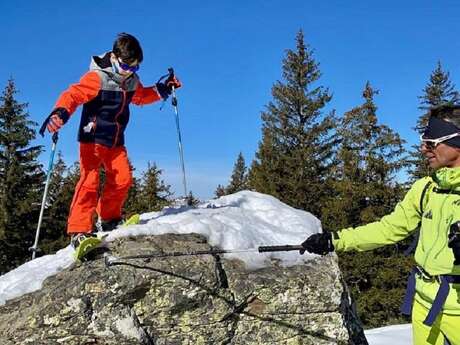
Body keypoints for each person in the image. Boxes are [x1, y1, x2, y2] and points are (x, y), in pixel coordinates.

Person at [300, 104, 460, 345]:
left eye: (431, 142)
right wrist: (335, 240)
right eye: (423, 141)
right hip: (425, 305)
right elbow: (388, 229)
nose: (423, 148)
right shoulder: (426, 189)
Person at [43, 33, 181, 249]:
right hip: (93, 137)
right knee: (89, 181)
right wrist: (60, 112)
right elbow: (73, 95)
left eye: (135, 68)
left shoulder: (131, 81)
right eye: (128, 67)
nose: (131, 72)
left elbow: (141, 97)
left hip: (115, 140)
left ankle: (108, 219)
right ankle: (79, 231)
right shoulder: (97, 78)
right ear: (115, 58)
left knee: (123, 179)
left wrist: (162, 89)